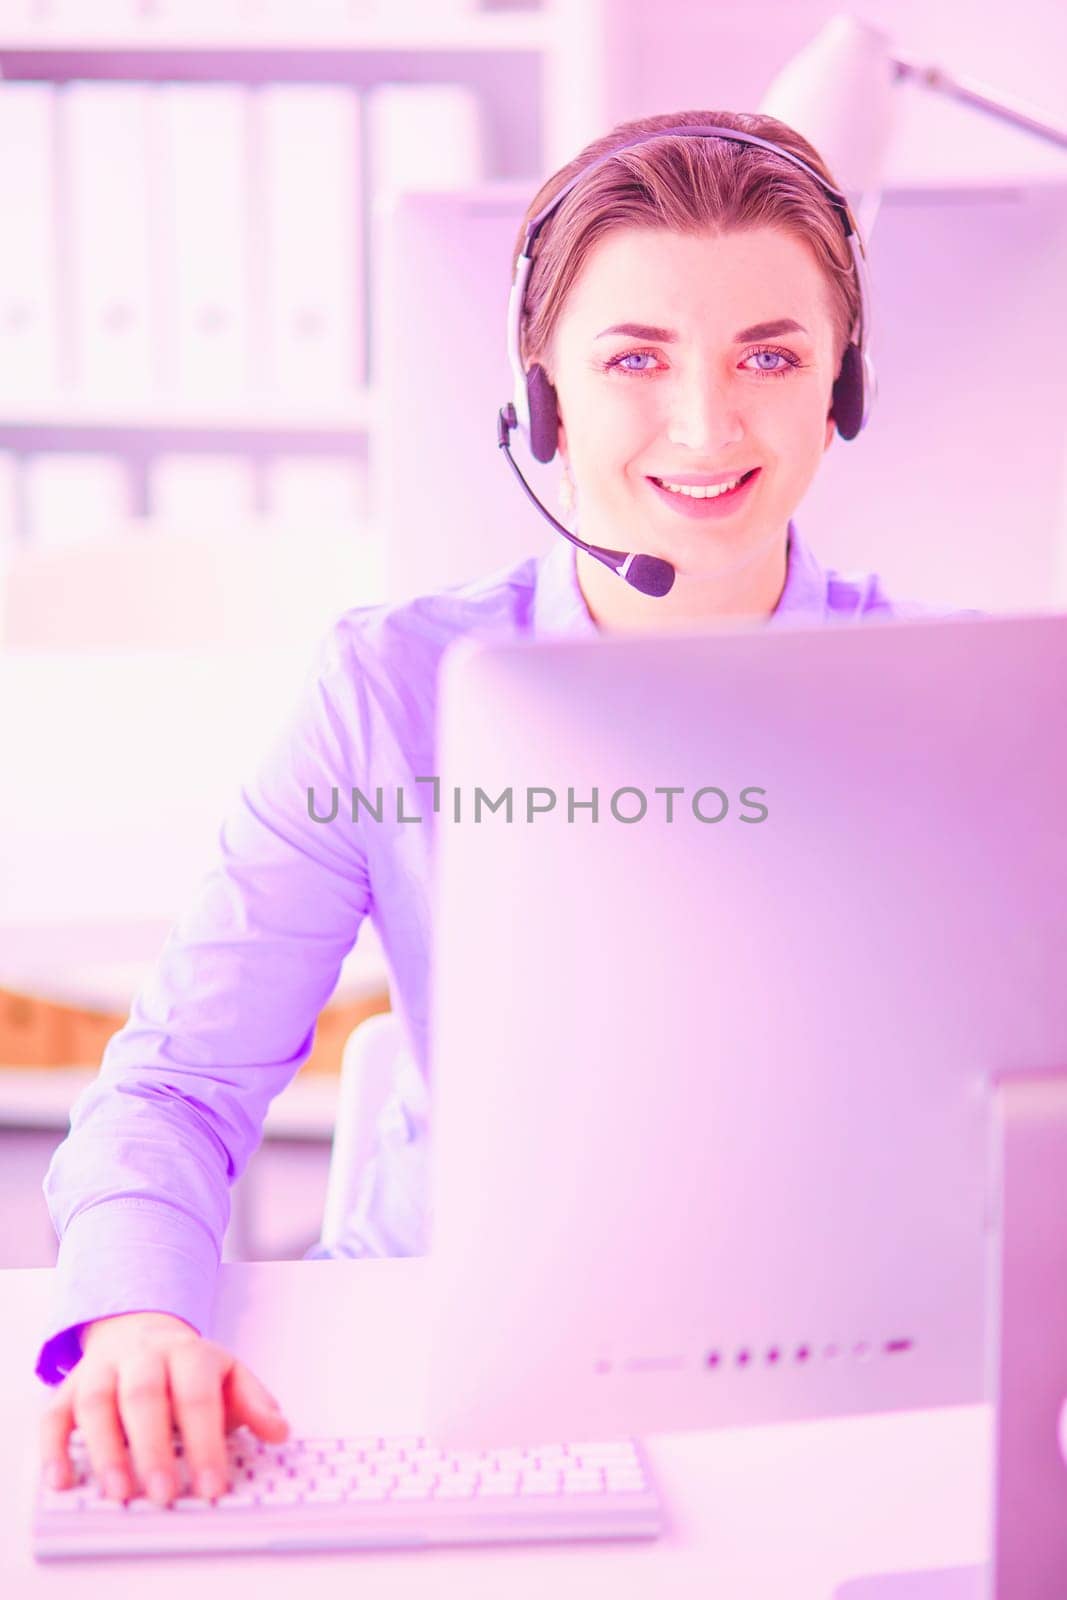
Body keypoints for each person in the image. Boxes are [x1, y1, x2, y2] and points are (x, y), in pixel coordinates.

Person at [35, 107, 980, 1510]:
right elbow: (173, 1085)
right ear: (543, 395)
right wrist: (132, 1312)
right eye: (635, 360)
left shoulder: (966, 699)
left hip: (836, 1389)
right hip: (448, 1364)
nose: (706, 425)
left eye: (769, 356)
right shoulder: (390, 690)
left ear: (845, 384)